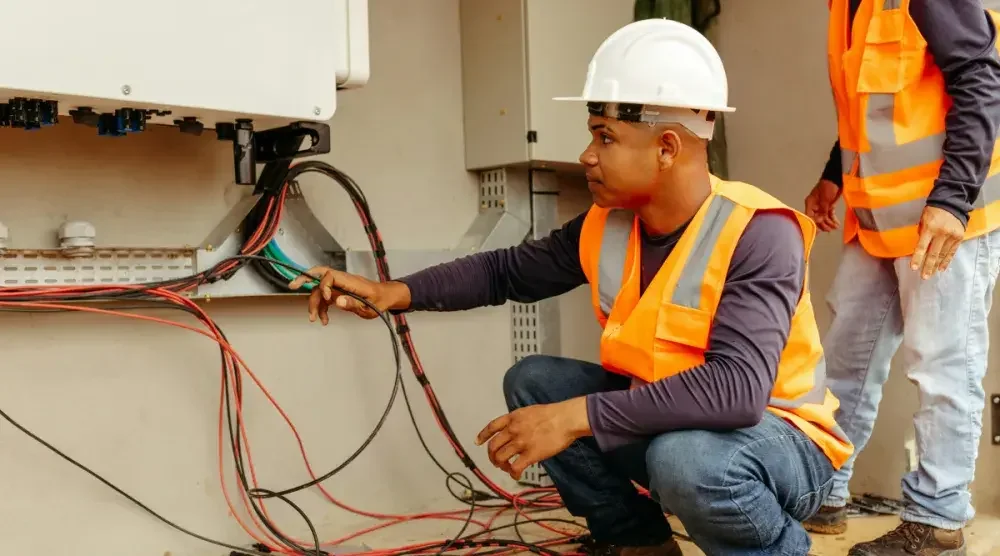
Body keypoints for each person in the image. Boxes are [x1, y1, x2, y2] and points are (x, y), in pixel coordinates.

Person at [292, 19, 853, 556]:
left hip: (782, 441)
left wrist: (576, 417)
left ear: (667, 148)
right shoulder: (607, 225)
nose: (587, 155)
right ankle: (638, 541)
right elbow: (504, 272)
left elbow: (736, 391)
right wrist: (393, 292)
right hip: (680, 426)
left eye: (604, 137)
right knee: (536, 382)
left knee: (688, 461)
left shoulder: (759, 231)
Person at [801, 0, 1000, 554]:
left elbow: (982, 79)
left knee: (942, 365)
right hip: (879, 221)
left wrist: (954, 199)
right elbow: (874, 106)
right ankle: (824, 491)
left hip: (943, 218)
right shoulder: (849, 5)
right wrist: (832, 176)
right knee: (844, 359)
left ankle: (938, 518)